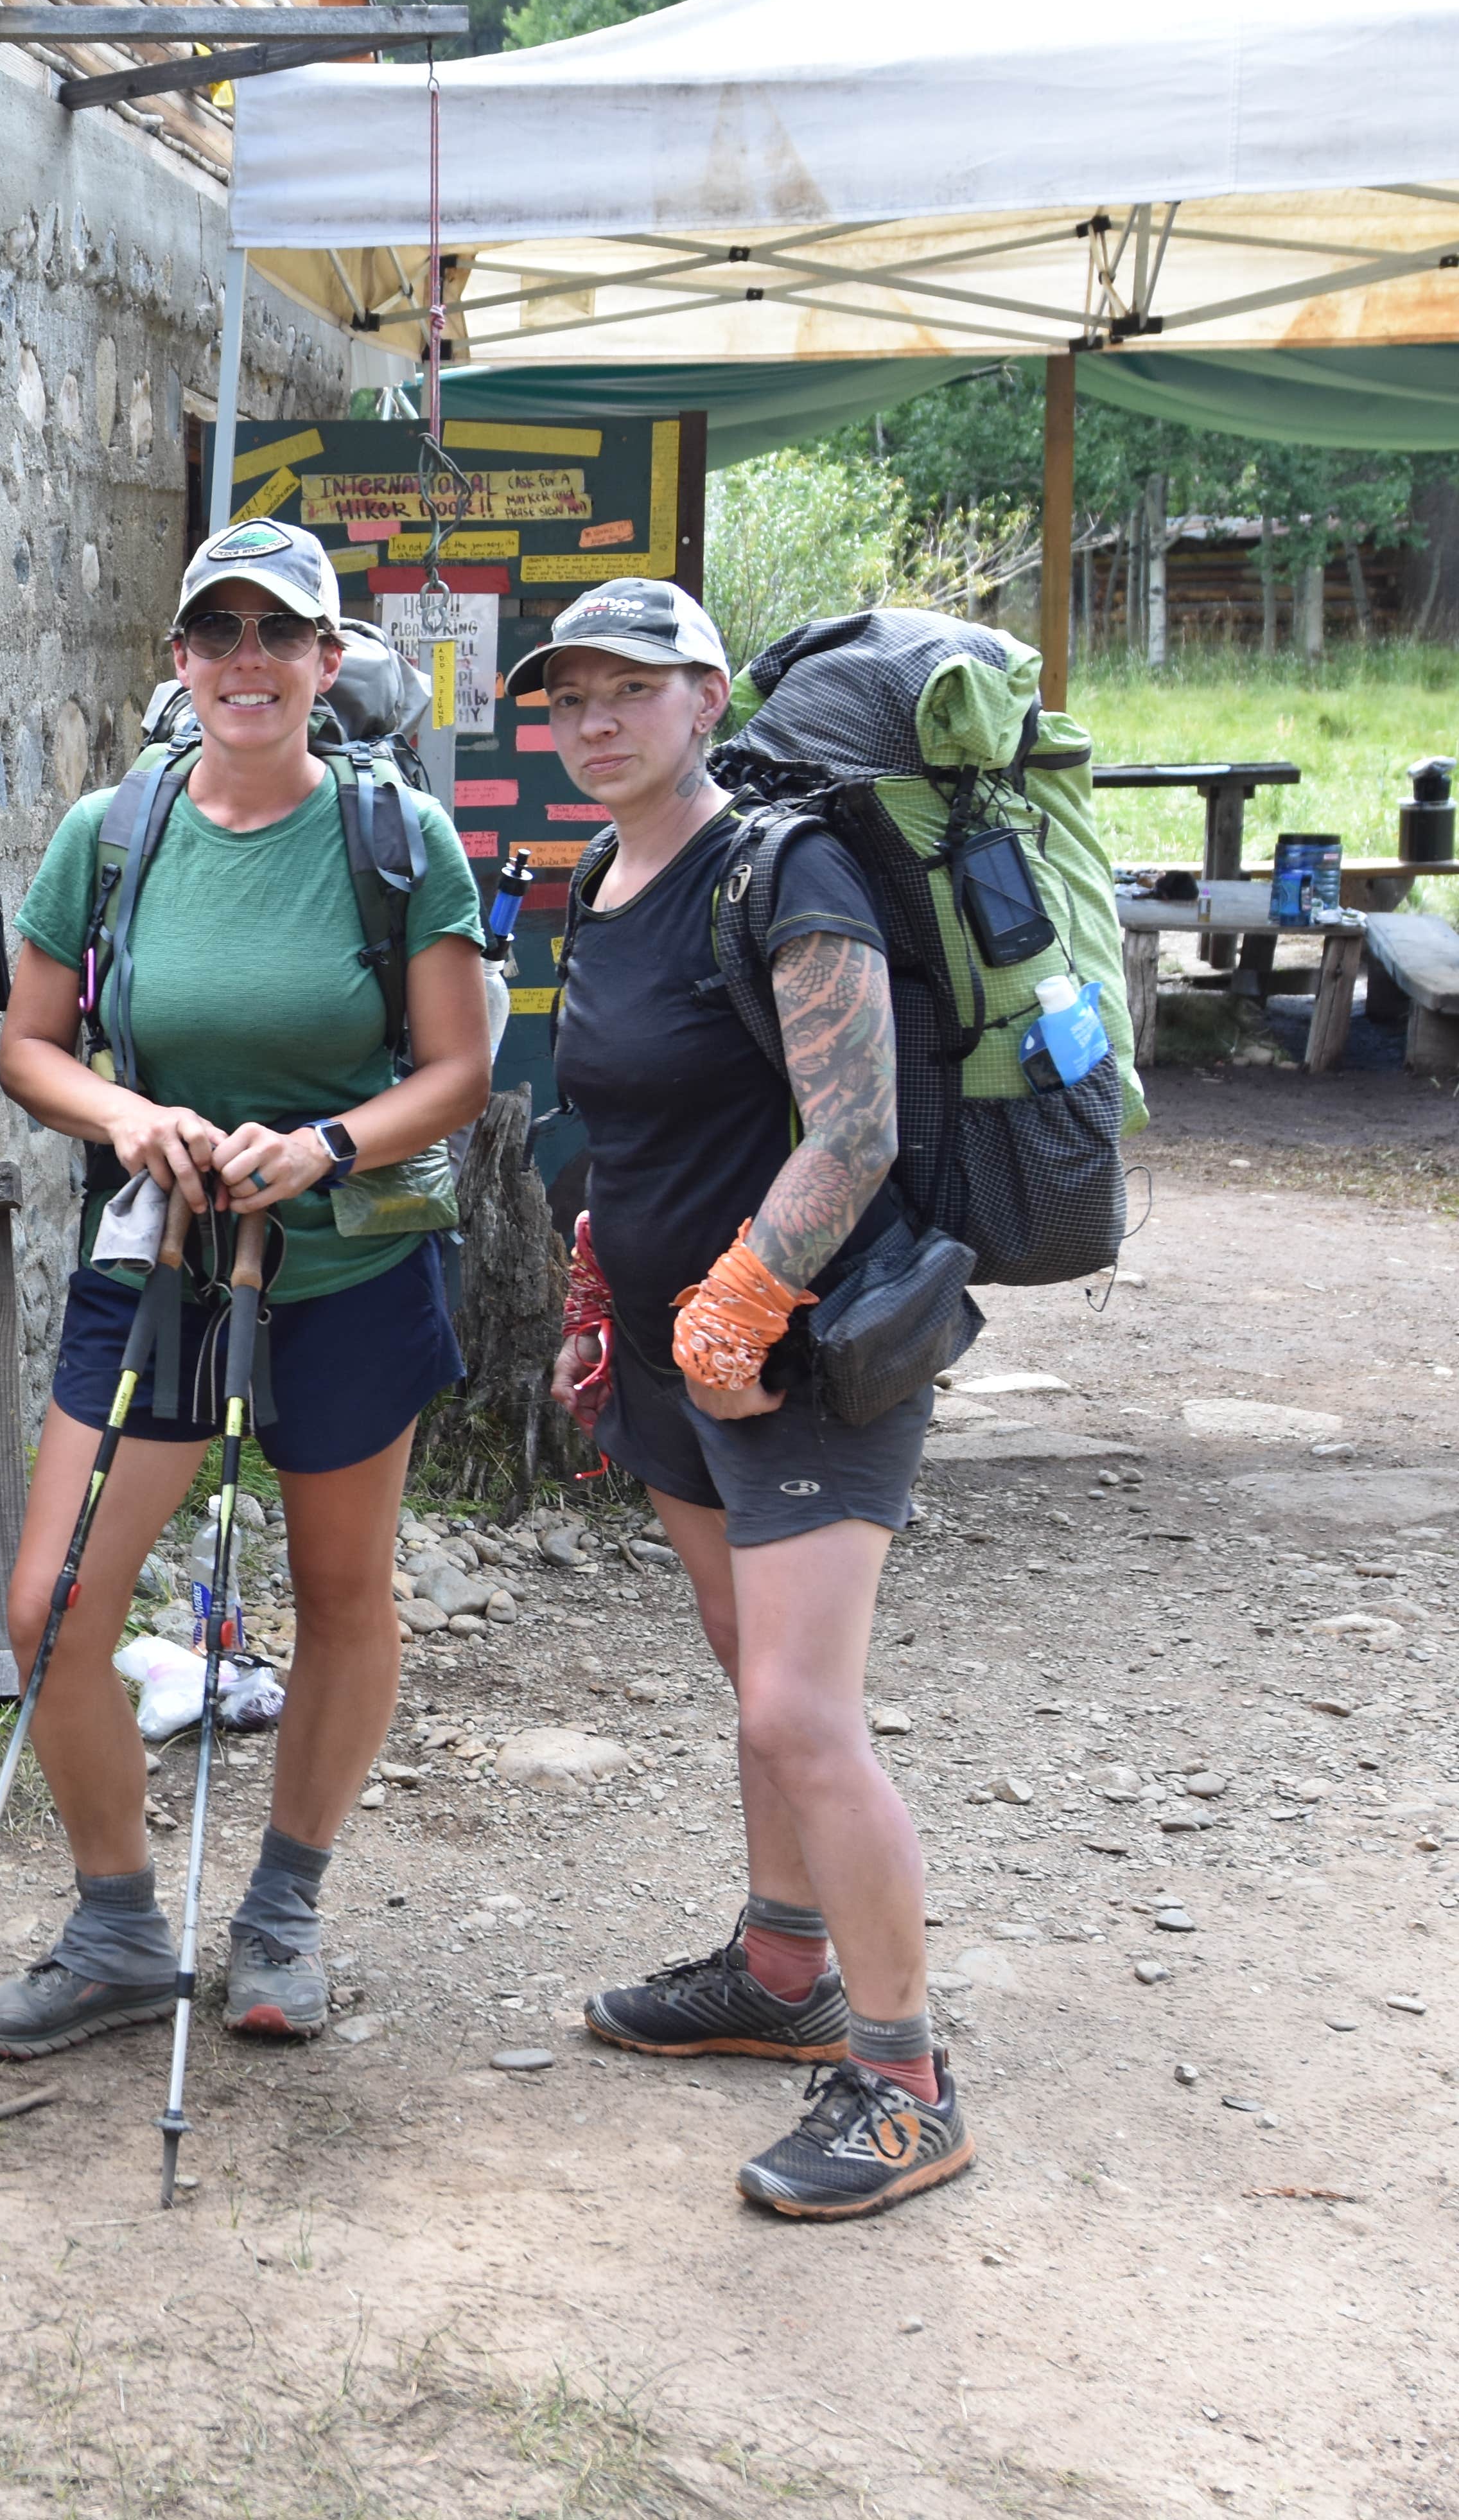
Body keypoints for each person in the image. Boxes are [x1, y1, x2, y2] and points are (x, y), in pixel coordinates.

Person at [0, 517, 489, 2064]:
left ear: (329, 665)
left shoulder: (396, 838)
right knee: (50, 1603)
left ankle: (282, 1913)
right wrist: (128, 1115)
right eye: (219, 632)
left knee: (338, 1591)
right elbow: (30, 1047)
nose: (246, 660)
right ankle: (120, 1923)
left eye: (280, 634)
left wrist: (324, 1143)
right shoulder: (109, 833)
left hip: (353, 1259)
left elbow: (459, 1069)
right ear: (181, 660)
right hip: (164, 1257)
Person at [525, 577, 970, 2218]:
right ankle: (785, 1969)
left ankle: (908, 2078)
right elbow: (649, 1116)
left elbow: (854, 1128)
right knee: (745, 1666)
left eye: (629, 689)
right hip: (666, 1342)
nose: (594, 720)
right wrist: (603, 1273)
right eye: (570, 696)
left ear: (707, 695)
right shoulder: (608, 869)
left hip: (801, 1342)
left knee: (798, 1706)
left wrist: (744, 1294)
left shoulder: (787, 868)